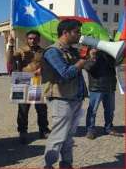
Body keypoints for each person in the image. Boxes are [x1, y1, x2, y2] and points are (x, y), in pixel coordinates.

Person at [42, 19, 96, 169]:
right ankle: (48, 165)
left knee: (69, 136)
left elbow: (87, 68)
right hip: (61, 99)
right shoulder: (53, 51)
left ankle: (66, 164)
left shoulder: (72, 50)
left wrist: (91, 58)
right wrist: (81, 61)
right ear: (65, 33)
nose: (79, 35)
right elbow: (65, 73)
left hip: (74, 98)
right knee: (58, 136)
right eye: (76, 32)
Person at [7, 30, 50, 144]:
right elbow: (10, 61)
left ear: (39, 39)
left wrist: (43, 69)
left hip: (36, 80)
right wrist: (10, 45)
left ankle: (44, 130)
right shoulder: (20, 50)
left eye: (35, 38)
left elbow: (48, 65)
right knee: (23, 109)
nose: (33, 40)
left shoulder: (43, 51)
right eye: (30, 38)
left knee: (41, 109)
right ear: (27, 39)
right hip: (22, 79)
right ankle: (22, 132)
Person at [85, 50, 119, 139]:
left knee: (110, 110)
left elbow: (116, 64)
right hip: (96, 87)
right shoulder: (91, 52)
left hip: (110, 87)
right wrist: (92, 57)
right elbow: (88, 67)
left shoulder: (109, 54)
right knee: (92, 110)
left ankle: (109, 127)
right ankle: (90, 130)